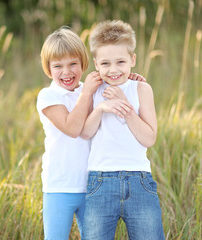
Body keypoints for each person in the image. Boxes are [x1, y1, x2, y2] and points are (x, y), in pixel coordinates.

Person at [37, 26, 146, 240]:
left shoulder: (92, 88)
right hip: (59, 186)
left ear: (84, 64)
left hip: (93, 186)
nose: (66, 72)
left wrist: (131, 80)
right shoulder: (48, 96)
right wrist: (86, 91)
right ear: (48, 68)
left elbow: (115, 77)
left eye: (73, 64)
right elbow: (72, 128)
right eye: (58, 66)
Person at [81, 20, 165, 240]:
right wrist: (100, 108)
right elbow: (85, 133)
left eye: (121, 62)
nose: (114, 69)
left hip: (139, 181)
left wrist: (125, 106)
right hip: (100, 181)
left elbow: (149, 138)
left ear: (132, 60)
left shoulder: (142, 89)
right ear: (96, 64)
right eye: (106, 63)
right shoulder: (93, 90)